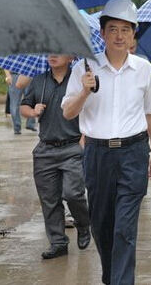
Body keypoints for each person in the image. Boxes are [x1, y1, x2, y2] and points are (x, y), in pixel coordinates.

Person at [62, 0, 151, 285]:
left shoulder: (144, 69)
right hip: (97, 155)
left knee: (125, 230)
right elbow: (68, 112)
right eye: (113, 29)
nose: (119, 35)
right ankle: (111, 276)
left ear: (133, 35)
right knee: (102, 226)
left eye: (126, 29)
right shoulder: (85, 68)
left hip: (133, 153)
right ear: (103, 33)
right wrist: (84, 91)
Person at [21, 54, 91, 259]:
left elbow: (92, 109)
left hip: (72, 147)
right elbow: (23, 107)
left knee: (73, 193)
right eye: (50, 51)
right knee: (49, 200)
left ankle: (84, 224)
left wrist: (84, 138)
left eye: (59, 51)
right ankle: (58, 242)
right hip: (45, 149)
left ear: (71, 57)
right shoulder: (39, 80)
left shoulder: (80, 80)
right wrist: (33, 111)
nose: (53, 55)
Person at [4, 69, 36, 134]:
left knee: (31, 100)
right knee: (14, 103)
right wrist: (8, 75)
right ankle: (17, 127)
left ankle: (30, 123)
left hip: (28, 74)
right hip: (15, 75)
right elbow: (6, 63)